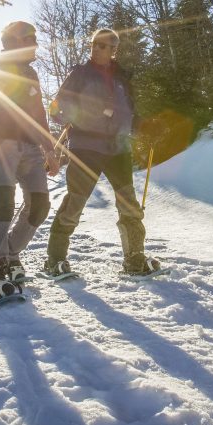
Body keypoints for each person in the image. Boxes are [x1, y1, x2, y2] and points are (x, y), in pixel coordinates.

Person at [44, 28, 161, 277]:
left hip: (118, 147)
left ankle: (134, 258)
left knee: (129, 203)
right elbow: (55, 107)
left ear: (113, 50)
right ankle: (55, 260)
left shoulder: (122, 78)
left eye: (102, 45)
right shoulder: (80, 74)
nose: (96, 49)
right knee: (75, 201)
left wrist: (146, 127)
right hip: (86, 146)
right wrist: (74, 117)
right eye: (94, 44)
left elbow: (128, 113)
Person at [0, 21, 61, 299]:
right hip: (1, 145)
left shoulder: (31, 73)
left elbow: (38, 115)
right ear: (13, 42)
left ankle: (11, 254)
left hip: (30, 147)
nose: (35, 45)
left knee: (39, 206)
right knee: (3, 204)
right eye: (30, 39)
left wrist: (49, 148)